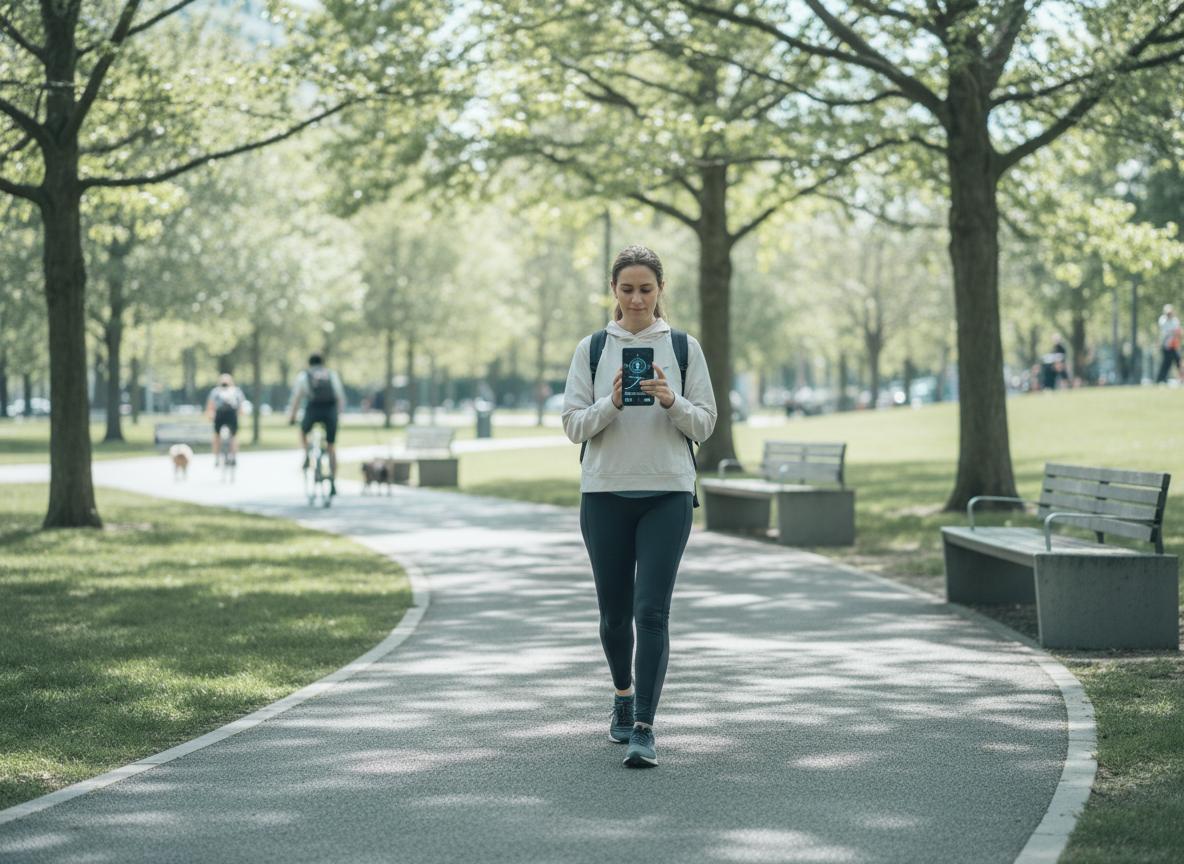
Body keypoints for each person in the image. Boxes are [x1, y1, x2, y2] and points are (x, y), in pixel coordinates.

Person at [562, 245, 717, 768]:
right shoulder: (591, 348)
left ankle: (645, 729)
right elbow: (572, 425)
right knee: (613, 616)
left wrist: (672, 401)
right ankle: (623, 696)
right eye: (626, 289)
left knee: (651, 612)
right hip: (604, 493)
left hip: (667, 493)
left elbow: (706, 424)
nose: (636, 298)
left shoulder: (682, 346)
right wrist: (613, 403)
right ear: (613, 291)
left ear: (660, 291)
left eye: (645, 289)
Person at [287, 354, 345, 496]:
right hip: (330, 410)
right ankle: (333, 481)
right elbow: (340, 397)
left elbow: (297, 397)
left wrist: (292, 417)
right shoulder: (331, 374)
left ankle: (307, 454)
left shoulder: (304, 376)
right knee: (331, 446)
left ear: (310, 363)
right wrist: (338, 415)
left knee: (302, 430)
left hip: (313, 409)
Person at [205, 373, 245, 466]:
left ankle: (216, 458)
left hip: (219, 415)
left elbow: (210, 406)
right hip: (232, 415)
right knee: (234, 437)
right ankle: (234, 457)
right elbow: (241, 407)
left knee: (216, 436)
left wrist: (210, 415)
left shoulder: (215, 391)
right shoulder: (236, 391)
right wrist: (239, 414)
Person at [1156, 304, 1182, 384]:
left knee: (1178, 361)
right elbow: (1167, 331)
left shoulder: (1175, 320)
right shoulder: (1163, 320)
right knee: (1166, 363)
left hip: (1174, 345)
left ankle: (1181, 378)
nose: (1169, 314)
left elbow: (1177, 331)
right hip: (1166, 345)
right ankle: (1160, 379)